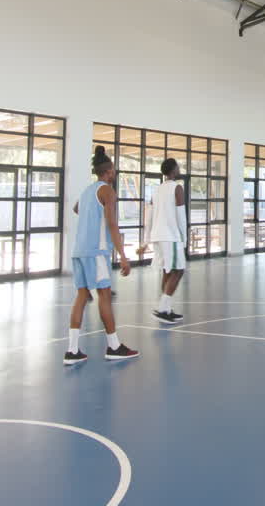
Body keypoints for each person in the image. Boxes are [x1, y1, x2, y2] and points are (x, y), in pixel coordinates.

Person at [64, 146, 140, 365]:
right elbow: (112, 225)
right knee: (104, 295)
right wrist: (123, 256)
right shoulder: (107, 190)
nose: (114, 173)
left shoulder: (88, 191)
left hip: (78, 250)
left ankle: (72, 351)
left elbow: (77, 209)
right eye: (114, 170)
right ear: (109, 171)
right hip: (96, 252)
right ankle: (114, 346)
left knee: (81, 296)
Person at [145, 158, 188, 325]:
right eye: (177, 166)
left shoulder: (156, 190)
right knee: (179, 270)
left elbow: (149, 214)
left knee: (167, 270)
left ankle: (167, 309)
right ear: (173, 170)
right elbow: (180, 216)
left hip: (158, 235)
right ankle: (163, 307)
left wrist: (147, 238)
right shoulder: (177, 188)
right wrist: (183, 238)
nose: (179, 169)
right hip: (171, 236)